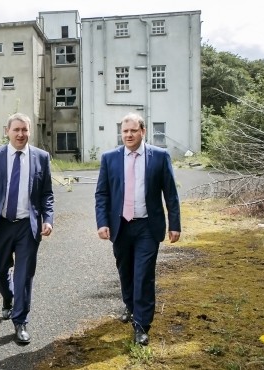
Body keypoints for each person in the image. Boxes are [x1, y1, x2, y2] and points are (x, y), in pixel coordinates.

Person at [94, 113, 181, 346]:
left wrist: (175, 224)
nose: (129, 135)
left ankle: (142, 326)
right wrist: (102, 222)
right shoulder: (110, 158)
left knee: (143, 275)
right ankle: (131, 306)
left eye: (133, 131)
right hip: (120, 226)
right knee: (126, 271)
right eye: (125, 131)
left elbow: (170, 193)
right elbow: (102, 193)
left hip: (147, 226)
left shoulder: (159, 157)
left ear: (143, 131)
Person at [0, 112, 54, 344]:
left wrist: (48, 218)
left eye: (25, 130)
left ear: (30, 132)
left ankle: (20, 321)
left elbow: (47, 194)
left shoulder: (41, 157)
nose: (21, 134)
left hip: (27, 227)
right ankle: (8, 298)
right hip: (0, 225)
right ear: (7, 131)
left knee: (23, 276)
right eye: (16, 130)